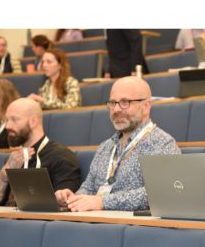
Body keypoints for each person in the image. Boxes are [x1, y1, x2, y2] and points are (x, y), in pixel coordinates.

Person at [55, 77, 181, 211]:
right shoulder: (106, 146)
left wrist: (103, 202)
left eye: (125, 102)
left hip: (133, 228)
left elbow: (159, 193)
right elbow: (89, 187)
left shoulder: (163, 144)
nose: (116, 110)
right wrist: (72, 199)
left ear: (146, 107)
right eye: (113, 103)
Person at [0, 98, 81, 205]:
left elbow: (66, 204)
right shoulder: (14, 159)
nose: (7, 126)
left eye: (14, 119)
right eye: (7, 120)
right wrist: (6, 170)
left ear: (33, 121)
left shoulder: (61, 157)